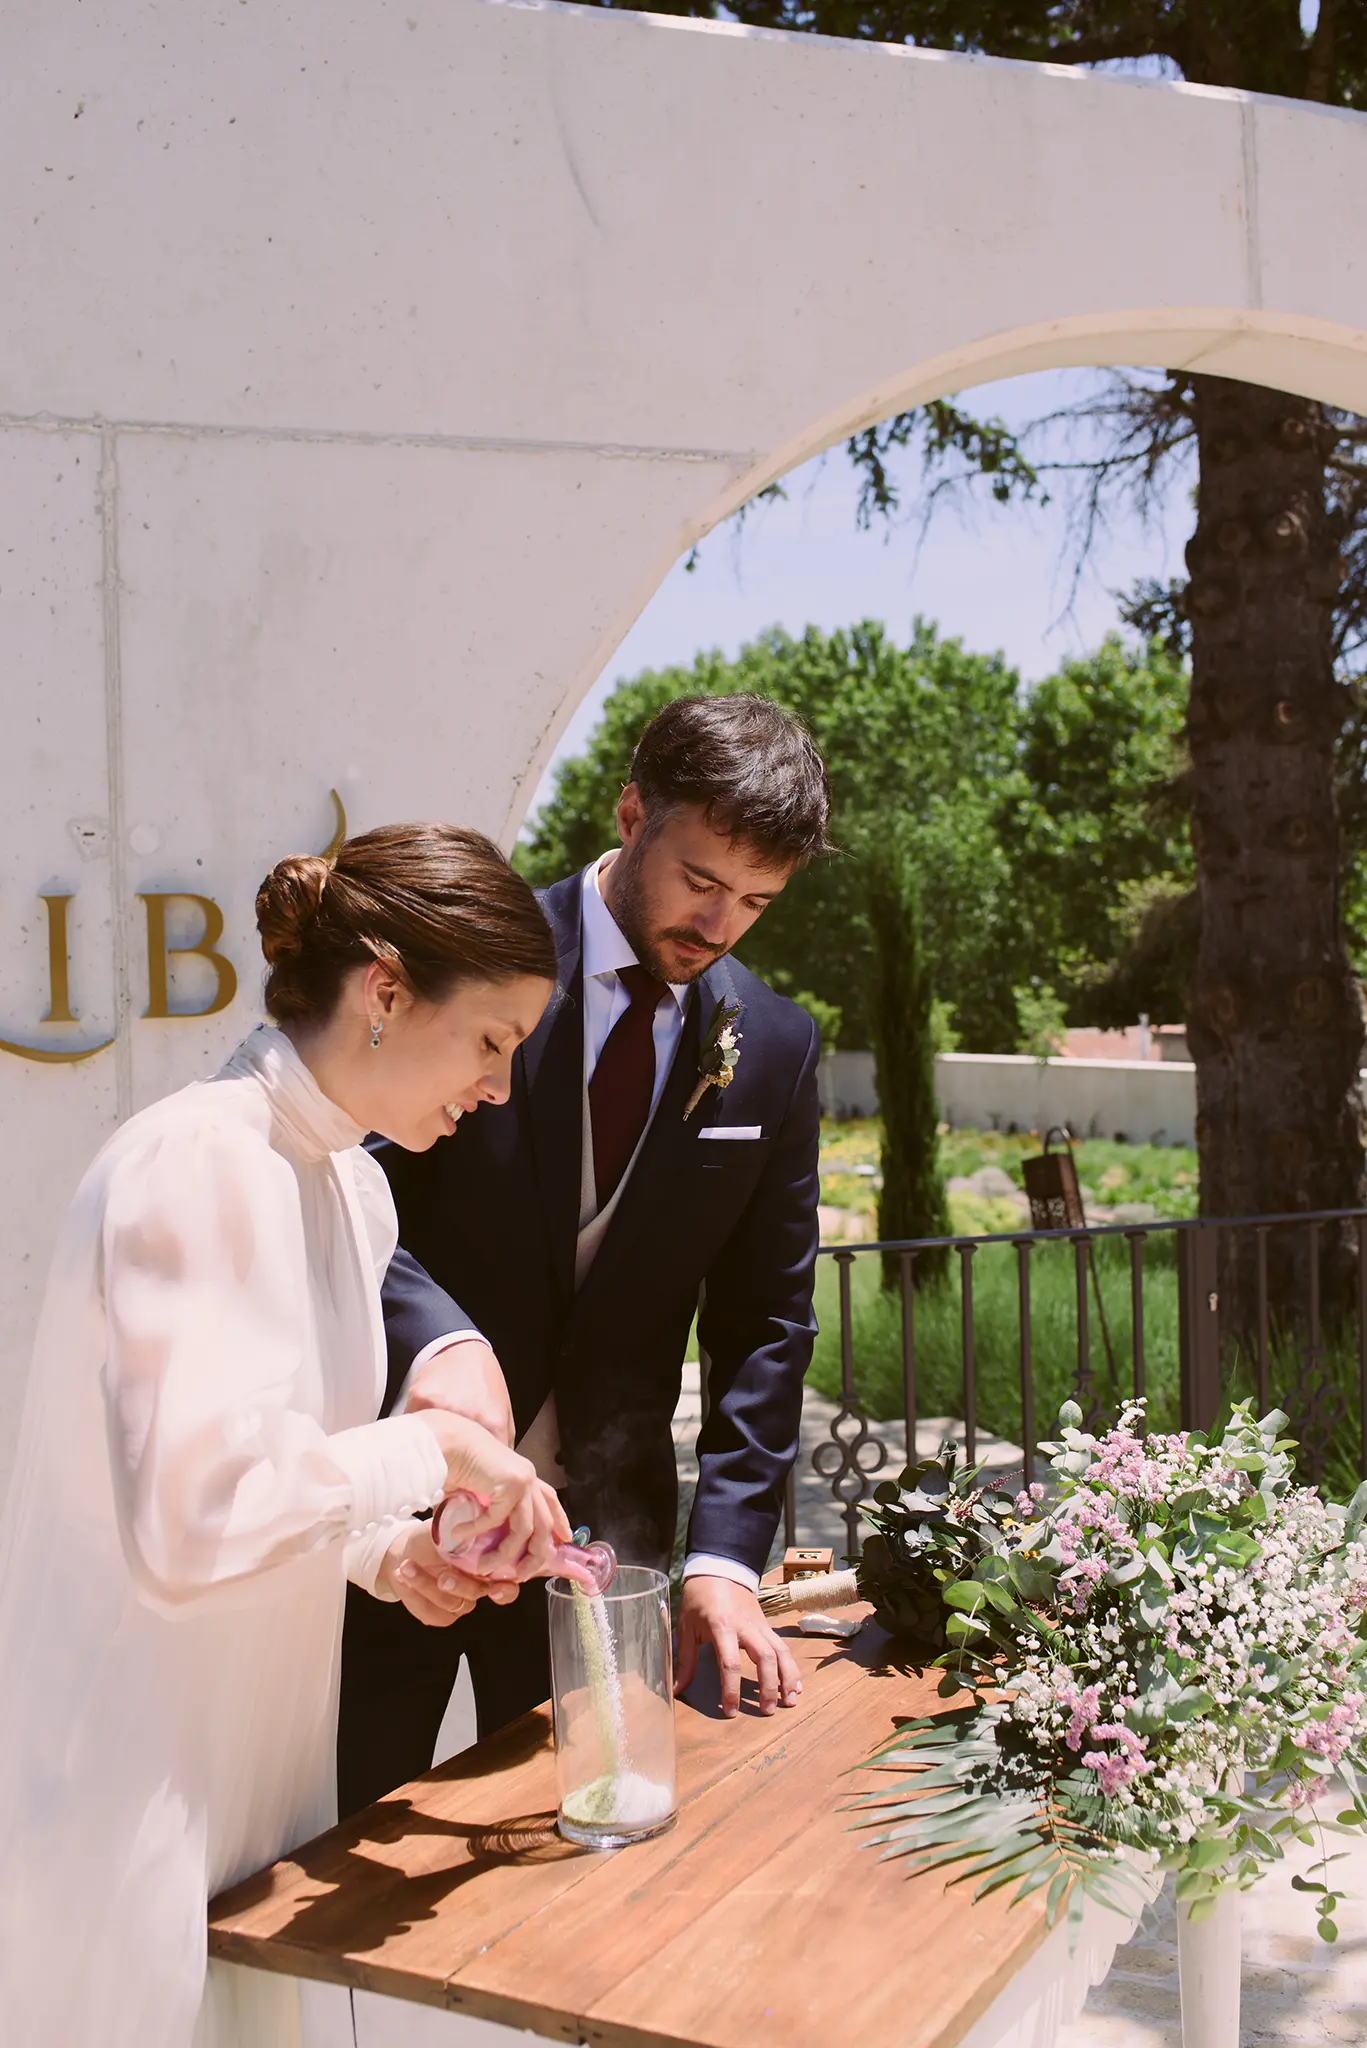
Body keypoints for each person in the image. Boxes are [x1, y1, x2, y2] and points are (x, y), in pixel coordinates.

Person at [0, 824, 566, 2048]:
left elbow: (279, 1454)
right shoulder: (194, 1157)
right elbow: (193, 1522)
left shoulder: (353, 1186)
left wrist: (385, 1555)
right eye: (491, 1039)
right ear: (385, 989)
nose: (497, 1087)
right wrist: (439, 1449)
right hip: (128, 1787)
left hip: (262, 1784)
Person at [339, 695, 832, 1814]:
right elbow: (352, 1191)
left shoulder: (775, 1045)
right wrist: (442, 1345)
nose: (718, 924)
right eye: (699, 880)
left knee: (587, 1834)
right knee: (354, 1821)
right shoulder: (478, 954)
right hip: (400, 1511)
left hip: (602, 1535)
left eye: (756, 901)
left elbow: (766, 1322)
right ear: (631, 813)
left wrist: (723, 1556)